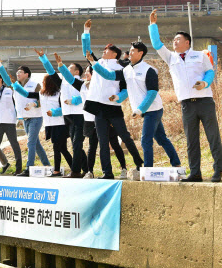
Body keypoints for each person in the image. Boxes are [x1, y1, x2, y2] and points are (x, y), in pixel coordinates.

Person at [149, 9, 221, 182]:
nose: (174, 42)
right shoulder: (171, 58)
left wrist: (204, 83)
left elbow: (209, 72)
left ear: (187, 42)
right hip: (187, 104)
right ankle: (195, 173)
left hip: (204, 101)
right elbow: (157, 44)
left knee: (213, 136)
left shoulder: (200, 55)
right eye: (173, 40)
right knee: (191, 140)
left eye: (178, 39)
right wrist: (153, 25)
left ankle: (219, 170)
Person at [92, 41, 181, 169]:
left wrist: (140, 110)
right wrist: (94, 63)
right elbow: (109, 75)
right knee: (161, 139)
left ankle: (148, 170)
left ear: (141, 53)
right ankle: (176, 163)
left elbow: (152, 93)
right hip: (145, 111)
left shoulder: (149, 70)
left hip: (153, 109)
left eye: (133, 50)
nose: (130, 52)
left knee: (145, 140)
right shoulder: (126, 70)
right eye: (130, 50)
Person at [82, 19, 144, 179]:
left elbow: (125, 89)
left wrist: (118, 97)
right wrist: (86, 32)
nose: (103, 51)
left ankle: (140, 164)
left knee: (125, 137)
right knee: (103, 142)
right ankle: (107, 173)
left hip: (113, 107)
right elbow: (87, 52)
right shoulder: (97, 63)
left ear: (114, 53)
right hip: (98, 107)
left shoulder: (122, 67)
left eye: (106, 50)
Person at [66, 65, 128, 179]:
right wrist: (60, 65)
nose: (86, 74)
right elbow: (78, 91)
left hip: (104, 118)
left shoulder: (100, 85)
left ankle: (123, 168)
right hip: (89, 120)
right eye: (86, 72)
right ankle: (90, 171)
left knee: (114, 143)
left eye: (89, 72)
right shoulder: (83, 85)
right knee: (92, 146)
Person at [35, 49, 87, 178]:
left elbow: (85, 97)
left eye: (69, 68)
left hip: (80, 117)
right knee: (77, 146)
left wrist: (73, 101)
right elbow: (51, 73)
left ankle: (75, 172)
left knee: (76, 144)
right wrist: (44, 59)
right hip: (68, 118)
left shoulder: (80, 83)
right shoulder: (63, 83)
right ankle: (86, 169)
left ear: (77, 72)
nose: (65, 70)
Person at [14, 74, 72, 176]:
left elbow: (65, 109)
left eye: (44, 81)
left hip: (61, 124)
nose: (42, 83)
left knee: (57, 147)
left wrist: (54, 112)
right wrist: (14, 84)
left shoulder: (59, 94)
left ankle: (57, 170)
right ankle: (74, 168)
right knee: (62, 149)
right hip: (50, 125)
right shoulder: (42, 94)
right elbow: (26, 94)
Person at [10, 65, 50, 176]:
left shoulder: (35, 85)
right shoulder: (16, 86)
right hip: (25, 119)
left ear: (27, 74)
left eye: (20, 72)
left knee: (31, 142)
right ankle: (47, 165)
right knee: (36, 144)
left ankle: (29, 168)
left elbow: (41, 100)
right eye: (17, 72)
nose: (18, 74)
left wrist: (33, 104)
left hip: (36, 118)